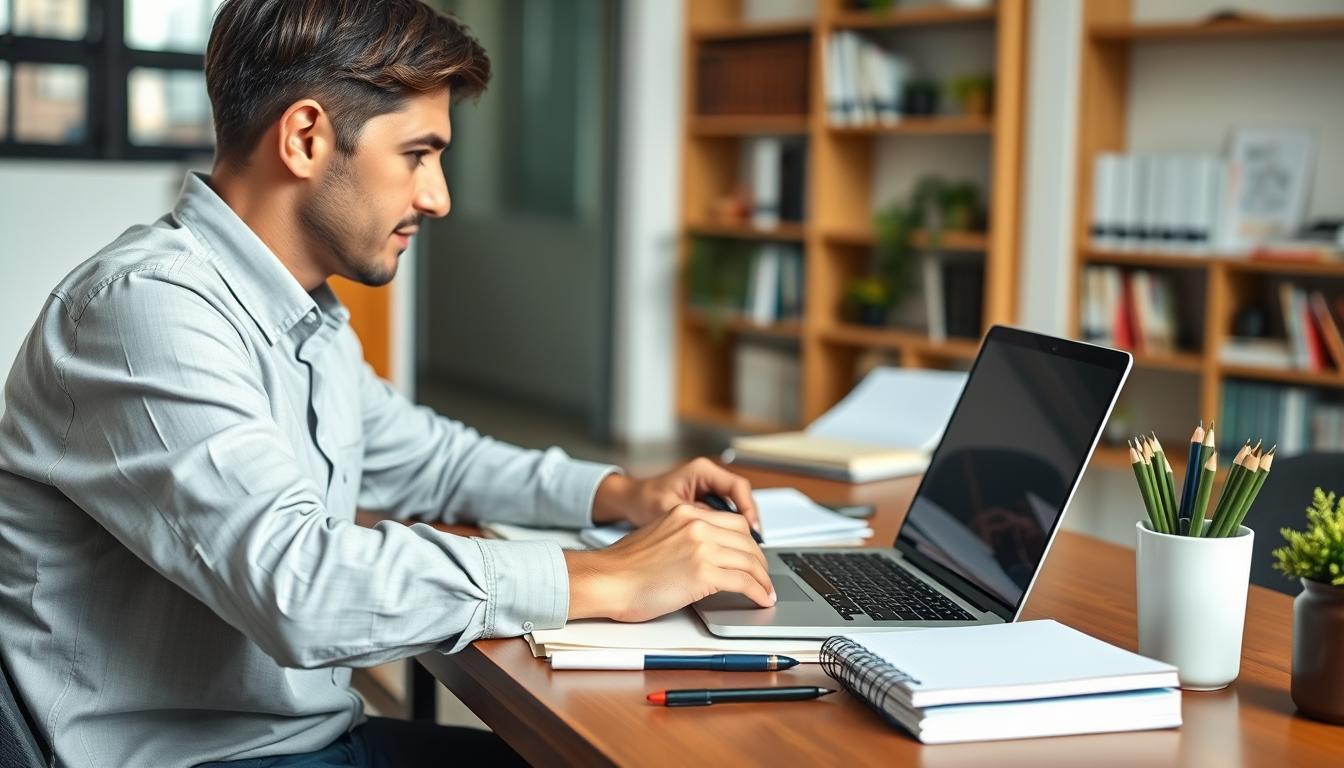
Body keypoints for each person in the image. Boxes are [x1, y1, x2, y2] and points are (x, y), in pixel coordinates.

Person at [0, 1, 776, 766]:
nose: (438, 196)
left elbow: (431, 460)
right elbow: (298, 585)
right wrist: (605, 576)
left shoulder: (303, 315)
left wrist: (620, 493)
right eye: (418, 154)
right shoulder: (144, 311)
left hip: (299, 740)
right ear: (306, 138)